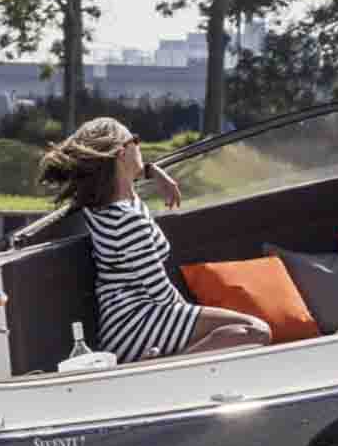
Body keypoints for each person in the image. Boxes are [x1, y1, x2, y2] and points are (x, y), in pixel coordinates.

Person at [38, 117, 270, 362]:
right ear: (121, 153)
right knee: (255, 332)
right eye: (135, 140)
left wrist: (153, 171)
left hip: (129, 320)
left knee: (229, 332)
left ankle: (168, 360)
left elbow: (126, 173)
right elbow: (162, 294)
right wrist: (197, 318)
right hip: (138, 326)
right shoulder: (126, 220)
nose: (141, 145)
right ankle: (162, 370)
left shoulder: (103, 205)